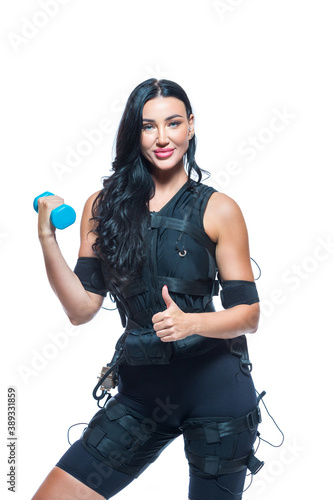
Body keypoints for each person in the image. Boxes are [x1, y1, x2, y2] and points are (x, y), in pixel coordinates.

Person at [32, 79, 261, 500]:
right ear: (133, 133)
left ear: (190, 126)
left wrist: (193, 321)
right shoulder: (102, 206)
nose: (162, 138)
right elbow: (81, 309)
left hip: (217, 393)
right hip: (142, 396)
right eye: (148, 126)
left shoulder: (219, 208)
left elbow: (249, 316)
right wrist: (48, 239)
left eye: (173, 123)